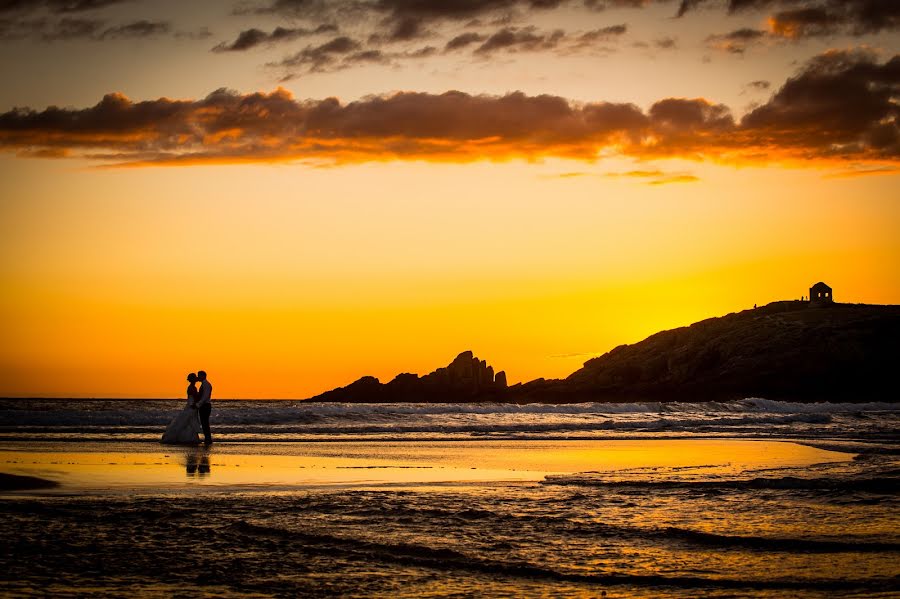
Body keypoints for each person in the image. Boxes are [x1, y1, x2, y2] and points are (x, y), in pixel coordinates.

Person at [161, 373, 202, 444]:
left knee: (189, 421)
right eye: (195, 379)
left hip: (191, 404)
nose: (196, 380)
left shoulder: (191, 387)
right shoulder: (192, 388)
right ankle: (188, 437)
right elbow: (195, 397)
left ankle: (189, 437)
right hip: (192, 405)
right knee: (190, 421)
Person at [196, 370, 213, 445]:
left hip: (205, 406)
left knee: (205, 423)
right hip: (204, 405)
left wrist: (198, 404)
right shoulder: (204, 384)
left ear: (203, 376)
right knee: (204, 423)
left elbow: (205, 397)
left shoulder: (206, 384)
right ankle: (207, 438)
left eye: (199, 375)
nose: (198, 377)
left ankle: (208, 439)